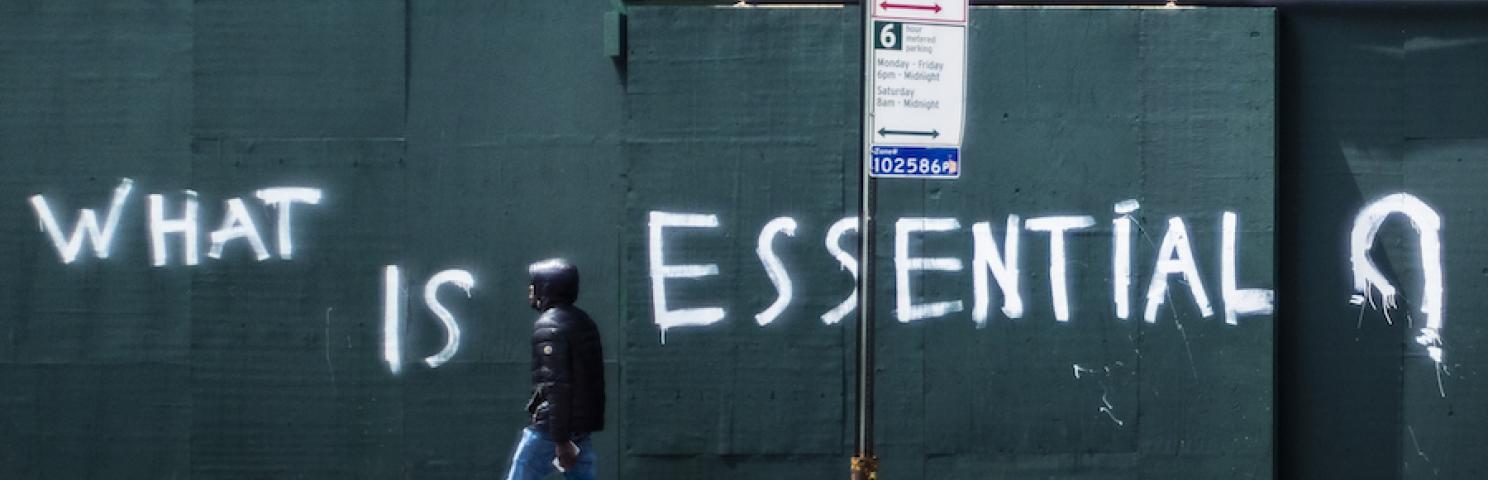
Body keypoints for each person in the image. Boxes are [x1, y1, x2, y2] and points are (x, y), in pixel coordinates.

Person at [505, 259, 606, 480]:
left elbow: (556, 385)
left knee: (522, 472)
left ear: (547, 287)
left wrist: (560, 440)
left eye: (535, 284)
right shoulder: (584, 321)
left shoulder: (549, 326)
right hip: (579, 430)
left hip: (550, 429)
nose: (530, 289)